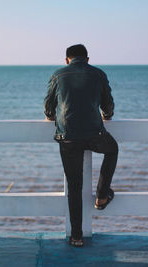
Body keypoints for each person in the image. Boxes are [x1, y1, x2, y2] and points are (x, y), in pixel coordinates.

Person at [44, 44, 118, 247]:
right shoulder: (98, 74)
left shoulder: (58, 75)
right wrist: (108, 115)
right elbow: (108, 103)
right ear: (87, 59)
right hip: (94, 133)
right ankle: (102, 195)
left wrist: (50, 116)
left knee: (74, 185)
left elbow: (49, 105)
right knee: (112, 150)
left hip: (68, 137)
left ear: (67, 59)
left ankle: (76, 236)